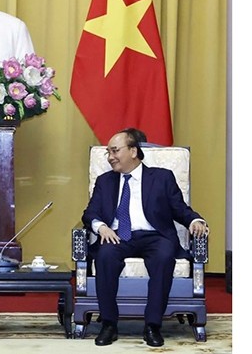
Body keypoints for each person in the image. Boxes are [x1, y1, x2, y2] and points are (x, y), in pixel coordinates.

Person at [81, 128, 208, 347]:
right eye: (108, 153)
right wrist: (101, 227)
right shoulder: (105, 181)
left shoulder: (161, 177)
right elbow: (89, 213)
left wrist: (195, 220)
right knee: (105, 257)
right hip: (118, 237)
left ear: (132, 151)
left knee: (163, 257)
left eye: (115, 151)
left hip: (155, 236)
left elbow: (179, 208)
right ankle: (109, 324)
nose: (110, 157)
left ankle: (152, 325)